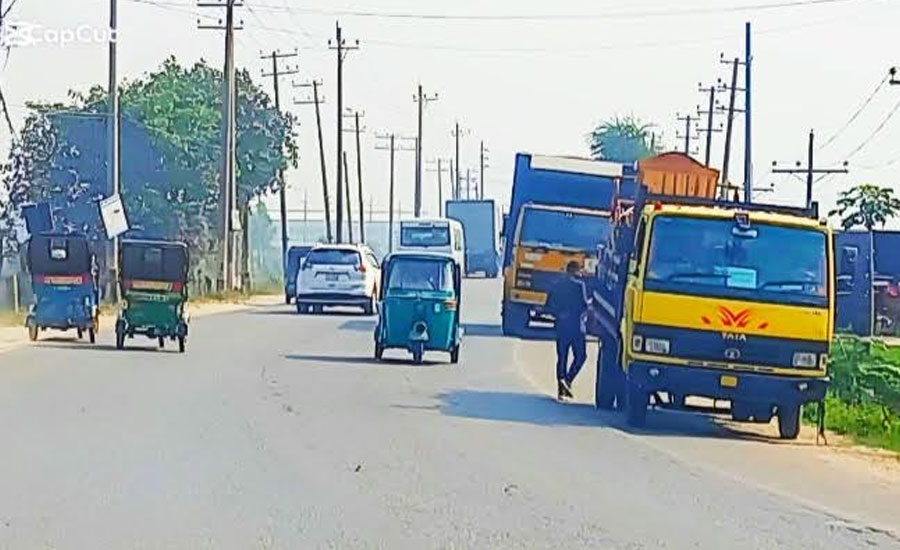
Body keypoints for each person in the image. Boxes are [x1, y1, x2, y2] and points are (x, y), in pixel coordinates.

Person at [547, 260, 591, 401]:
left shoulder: (556, 285)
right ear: (576, 271)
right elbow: (584, 305)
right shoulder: (579, 285)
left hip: (561, 325)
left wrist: (559, 314)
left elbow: (548, 306)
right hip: (576, 327)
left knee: (562, 357)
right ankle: (568, 380)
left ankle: (561, 389)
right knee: (581, 356)